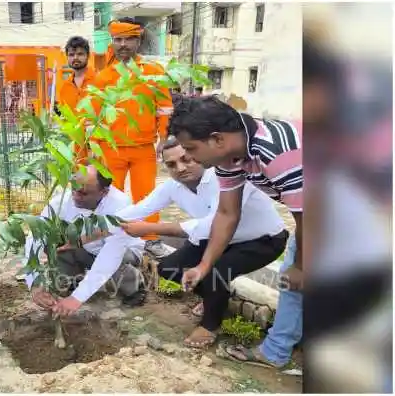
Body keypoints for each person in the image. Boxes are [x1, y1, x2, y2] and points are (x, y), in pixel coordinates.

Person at [168, 95, 302, 368]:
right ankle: (275, 352)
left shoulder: (276, 155)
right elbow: (228, 214)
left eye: (190, 148)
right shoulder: (229, 157)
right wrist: (204, 266)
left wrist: (301, 266)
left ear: (217, 139)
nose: (189, 157)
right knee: (294, 284)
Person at [116, 138, 288, 348]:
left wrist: (151, 228)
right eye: (171, 165)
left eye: (186, 159)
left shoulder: (225, 178)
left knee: (215, 272)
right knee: (168, 268)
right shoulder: (172, 187)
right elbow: (137, 210)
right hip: (218, 239)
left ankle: (210, 325)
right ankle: (214, 298)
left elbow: (212, 224)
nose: (180, 168)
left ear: (197, 155)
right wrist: (94, 227)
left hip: (263, 240)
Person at [24, 165, 147, 316]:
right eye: (74, 189)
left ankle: (135, 286)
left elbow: (110, 256)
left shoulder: (119, 205)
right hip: (83, 246)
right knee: (59, 247)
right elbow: (35, 237)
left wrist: (77, 299)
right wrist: (34, 283)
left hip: (123, 251)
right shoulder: (62, 200)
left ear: (104, 192)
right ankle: (73, 280)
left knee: (116, 261)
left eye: (83, 193)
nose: (75, 196)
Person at [91, 17, 173, 242]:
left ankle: (150, 241)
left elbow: (165, 108)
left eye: (129, 39)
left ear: (139, 40)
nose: (123, 44)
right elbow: (93, 117)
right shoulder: (103, 78)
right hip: (111, 149)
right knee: (108, 197)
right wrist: (94, 146)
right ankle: (108, 240)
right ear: (112, 42)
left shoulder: (153, 72)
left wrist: (164, 139)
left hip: (144, 148)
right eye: (118, 39)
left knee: (148, 198)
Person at [57, 36, 96, 159]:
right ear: (67, 57)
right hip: (75, 150)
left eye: (80, 54)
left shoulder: (100, 81)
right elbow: (64, 117)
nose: (75, 58)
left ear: (88, 56)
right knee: (77, 177)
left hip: (98, 146)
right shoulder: (65, 87)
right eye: (72, 54)